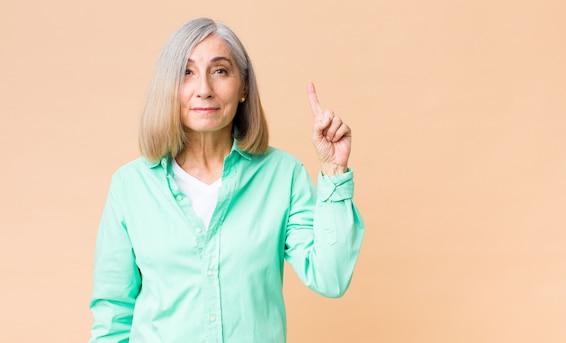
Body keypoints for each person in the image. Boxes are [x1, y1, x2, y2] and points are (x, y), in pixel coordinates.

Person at [89, 17, 364, 343]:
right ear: (169, 86)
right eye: (186, 73)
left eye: (220, 71)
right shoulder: (130, 186)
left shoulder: (282, 176)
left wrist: (334, 170)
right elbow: (113, 315)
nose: (204, 89)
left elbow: (330, 278)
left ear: (244, 86)